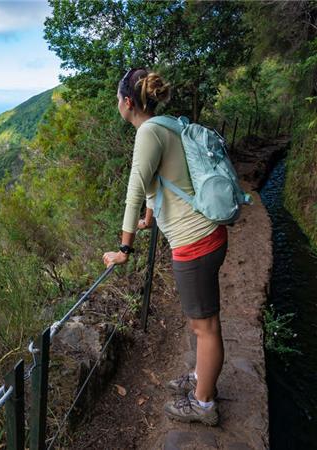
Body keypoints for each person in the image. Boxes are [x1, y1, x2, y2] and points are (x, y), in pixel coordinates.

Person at [102, 68, 228, 426]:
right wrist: (149, 217)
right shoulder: (167, 124)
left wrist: (124, 249)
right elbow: (165, 178)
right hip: (206, 235)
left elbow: (135, 187)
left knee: (207, 328)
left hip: (195, 242)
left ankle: (204, 403)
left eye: (117, 99)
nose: (117, 104)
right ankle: (202, 378)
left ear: (128, 102)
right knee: (202, 323)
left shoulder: (147, 133)